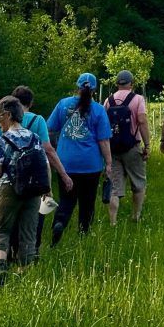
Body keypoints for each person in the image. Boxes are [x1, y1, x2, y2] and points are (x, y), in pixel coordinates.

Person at [0, 85, 73, 255]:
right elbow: (47, 153)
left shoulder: (2, 122)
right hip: (33, 182)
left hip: (8, 182)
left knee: (5, 224)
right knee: (30, 226)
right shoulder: (38, 122)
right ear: (30, 103)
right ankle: (28, 259)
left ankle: (5, 259)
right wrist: (60, 177)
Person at [0, 95, 50, 285]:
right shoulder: (35, 137)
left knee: (2, 229)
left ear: (7, 115)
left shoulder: (2, 140)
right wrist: (47, 191)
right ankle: (22, 275)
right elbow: (44, 165)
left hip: (9, 188)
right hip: (33, 191)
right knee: (28, 232)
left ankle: (1, 265)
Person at [46, 73, 112, 243]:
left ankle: (59, 223)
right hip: (90, 165)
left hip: (66, 163)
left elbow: (50, 129)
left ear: (77, 87)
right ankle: (83, 235)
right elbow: (103, 140)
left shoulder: (63, 104)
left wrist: (55, 147)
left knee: (66, 200)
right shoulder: (98, 110)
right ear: (95, 90)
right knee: (87, 202)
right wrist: (109, 163)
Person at [103, 70, 150, 225]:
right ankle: (136, 216)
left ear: (117, 83)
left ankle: (113, 222)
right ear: (131, 83)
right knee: (138, 183)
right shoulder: (137, 99)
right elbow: (142, 121)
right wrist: (147, 145)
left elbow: (104, 126)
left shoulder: (108, 101)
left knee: (114, 188)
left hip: (113, 149)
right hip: (132, 147)